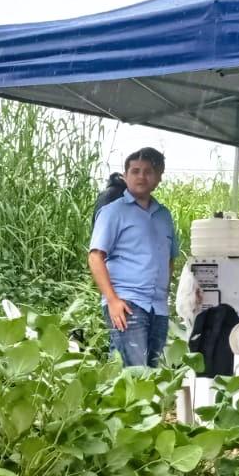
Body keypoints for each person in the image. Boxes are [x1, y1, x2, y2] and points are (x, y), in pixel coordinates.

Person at [89, 147, 179, 367]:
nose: (141, 176)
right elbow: (95, 257)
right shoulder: (113, 212)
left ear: (158, 177)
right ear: (126, 175)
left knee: (152, 372)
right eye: (135, 171)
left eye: (148, 171)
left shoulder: (163, 215)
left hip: (157, 306)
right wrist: (112, 300)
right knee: (133, 374)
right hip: (127, 304)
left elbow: (169, 258)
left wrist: (164, 292)